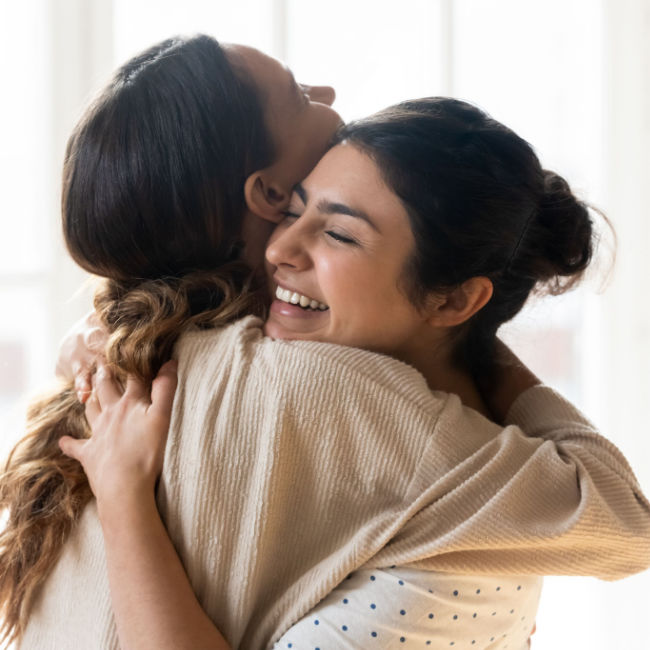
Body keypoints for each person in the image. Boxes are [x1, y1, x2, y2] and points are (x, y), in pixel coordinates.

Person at [2, 36, 648, 650]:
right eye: (299, 94)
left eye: (337, 230)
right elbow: (624, 526)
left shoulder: (132, 354)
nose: (330, 93)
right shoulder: (322, 389)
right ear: (269, 194)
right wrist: (469, 334)